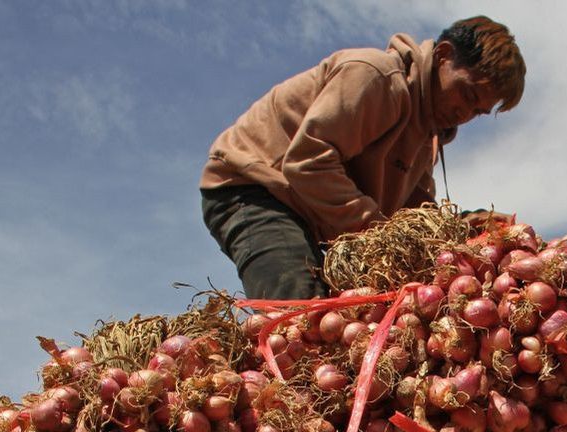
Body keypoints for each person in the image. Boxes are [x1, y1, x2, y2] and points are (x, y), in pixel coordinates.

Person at [199, 16, 526, 299]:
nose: (465, 114)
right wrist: (384, 235)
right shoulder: (377, 78)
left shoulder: (427, 134)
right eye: (467, 94)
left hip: (311, 214)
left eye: (478, 112)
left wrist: (465, 230)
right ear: (443, 56)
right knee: (300, 318)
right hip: (255, 189)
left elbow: (412, 217)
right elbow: (308, 163)